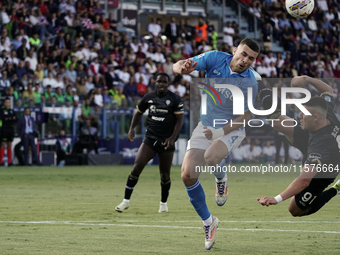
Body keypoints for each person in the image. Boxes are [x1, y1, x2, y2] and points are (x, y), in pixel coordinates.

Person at [172, 38, 261, 250]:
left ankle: (221, 177)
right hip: (206, 124)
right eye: (243, 54)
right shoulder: (215, 58)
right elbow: (178, 65)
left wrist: (219, 132)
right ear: (235, 51)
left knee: (211, 157)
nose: (246, 60)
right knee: (186, 175)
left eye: (252, 58)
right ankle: (209, 222)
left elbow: (246, 117)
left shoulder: (250, 82)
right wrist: (182, 68)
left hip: (231, 129)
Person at [257, 76, 340, 216]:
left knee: (295, 210)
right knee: (276, 120)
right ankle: (258, 81)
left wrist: (276, 199)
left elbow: (304, 180)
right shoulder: (326, 111)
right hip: (312, 135)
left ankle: (336, 189)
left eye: (304, 113)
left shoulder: (321, 146)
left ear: (316, 117)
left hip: (325, 171)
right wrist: (306, 79)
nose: (299, 115)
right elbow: (327, 90)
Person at [115, 73, 184, 214]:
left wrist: (172, 138)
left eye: (164, 82)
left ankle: (163, 204)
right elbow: (138, 112)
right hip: (150, 138)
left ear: (168, 83)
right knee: (136, 167)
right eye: (159, 82)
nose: (161, 84)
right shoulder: (148, 97)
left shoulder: (175, 99)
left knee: (165, 175)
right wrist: (131, 128)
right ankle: (125, 201)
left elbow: (179, 121)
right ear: (155, 82)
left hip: (166, 141)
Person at [0, 98, 17, 166]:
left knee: (10, 144)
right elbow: (3, 119)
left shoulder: (12, 111)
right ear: (4, 103)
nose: (7, 103)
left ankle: (9, 161)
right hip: (3, 129)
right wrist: (10, 119)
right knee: (3, 144)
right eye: (6, 102)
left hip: (10, 129)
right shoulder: (1, 111)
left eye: (8, 102)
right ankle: (1, 161)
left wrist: (8, 119)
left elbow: (15, 119)